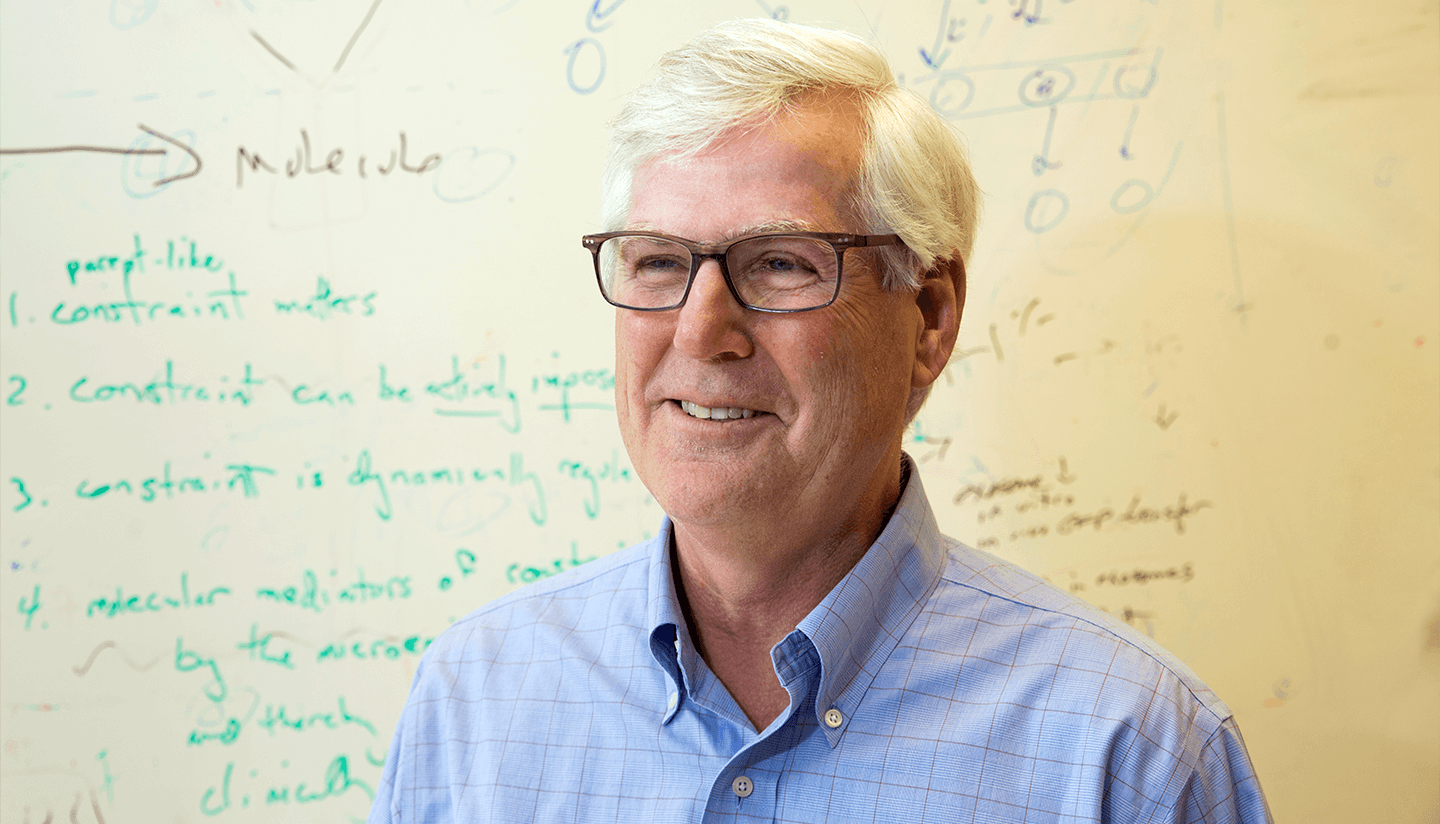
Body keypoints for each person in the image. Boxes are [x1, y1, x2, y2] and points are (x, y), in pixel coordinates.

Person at [370, 18, 1271, 823]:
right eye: (655, 262)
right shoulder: (474, 702)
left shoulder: (1130, 753)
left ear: (928, 317)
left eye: (782, 264)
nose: (700, 330)